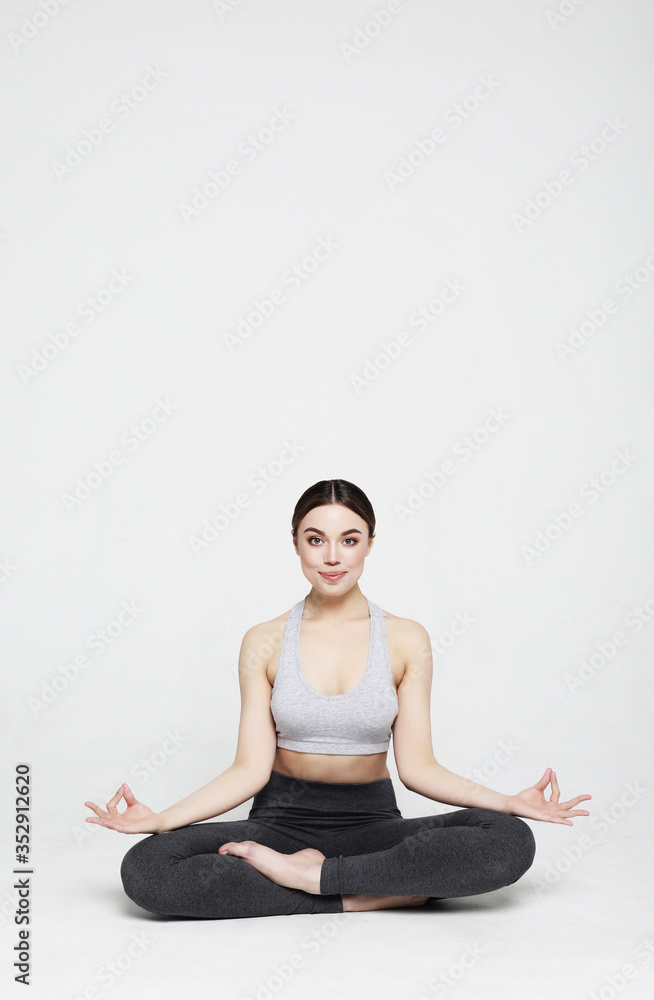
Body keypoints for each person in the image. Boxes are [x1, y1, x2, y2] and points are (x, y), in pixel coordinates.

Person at [84, 479, 591, 919]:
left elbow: (418, 768)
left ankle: (318, 879)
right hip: (278, 825)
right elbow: (248, 771)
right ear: (296, 544)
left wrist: (507, 802)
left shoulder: (405, 638)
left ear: (370, 543)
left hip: (372, 826)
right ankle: (379, 893)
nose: (332, 557)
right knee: (148, 870)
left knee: (508, 840)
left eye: (348, 540)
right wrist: (161, 819)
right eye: (315, 539)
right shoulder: (263, 640)